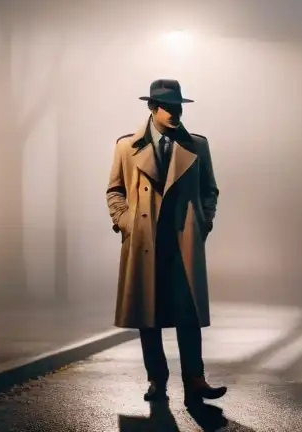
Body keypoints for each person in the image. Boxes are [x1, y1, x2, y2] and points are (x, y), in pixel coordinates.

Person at [106, 78, 226, 407]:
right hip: (145, 240)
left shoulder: (197, 146)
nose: (175, 113)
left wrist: (203, 222)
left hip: (183, 241)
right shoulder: (126, 147)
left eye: (178, 108)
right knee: (150, 316)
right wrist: (124, 221)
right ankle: (157, 380)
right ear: (152, 108)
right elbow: (114, 189)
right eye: (168, 108)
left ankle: (195, 380)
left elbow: (209, 190)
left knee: (188, 314)